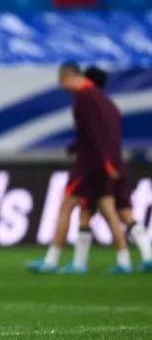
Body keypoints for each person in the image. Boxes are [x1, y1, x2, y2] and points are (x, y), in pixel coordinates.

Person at [26, 63, 141, 274]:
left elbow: (94, 133)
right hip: (104, 163)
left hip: (90, 165)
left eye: (62, 82)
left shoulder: (84, 98)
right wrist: (107, 161)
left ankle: (52, 260)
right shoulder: (103, 100)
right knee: (102, 211)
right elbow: (102, 132)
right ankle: (119, 260)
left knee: (67, 206)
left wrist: (103, 161)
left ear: (69, 77)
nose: (63, 87)